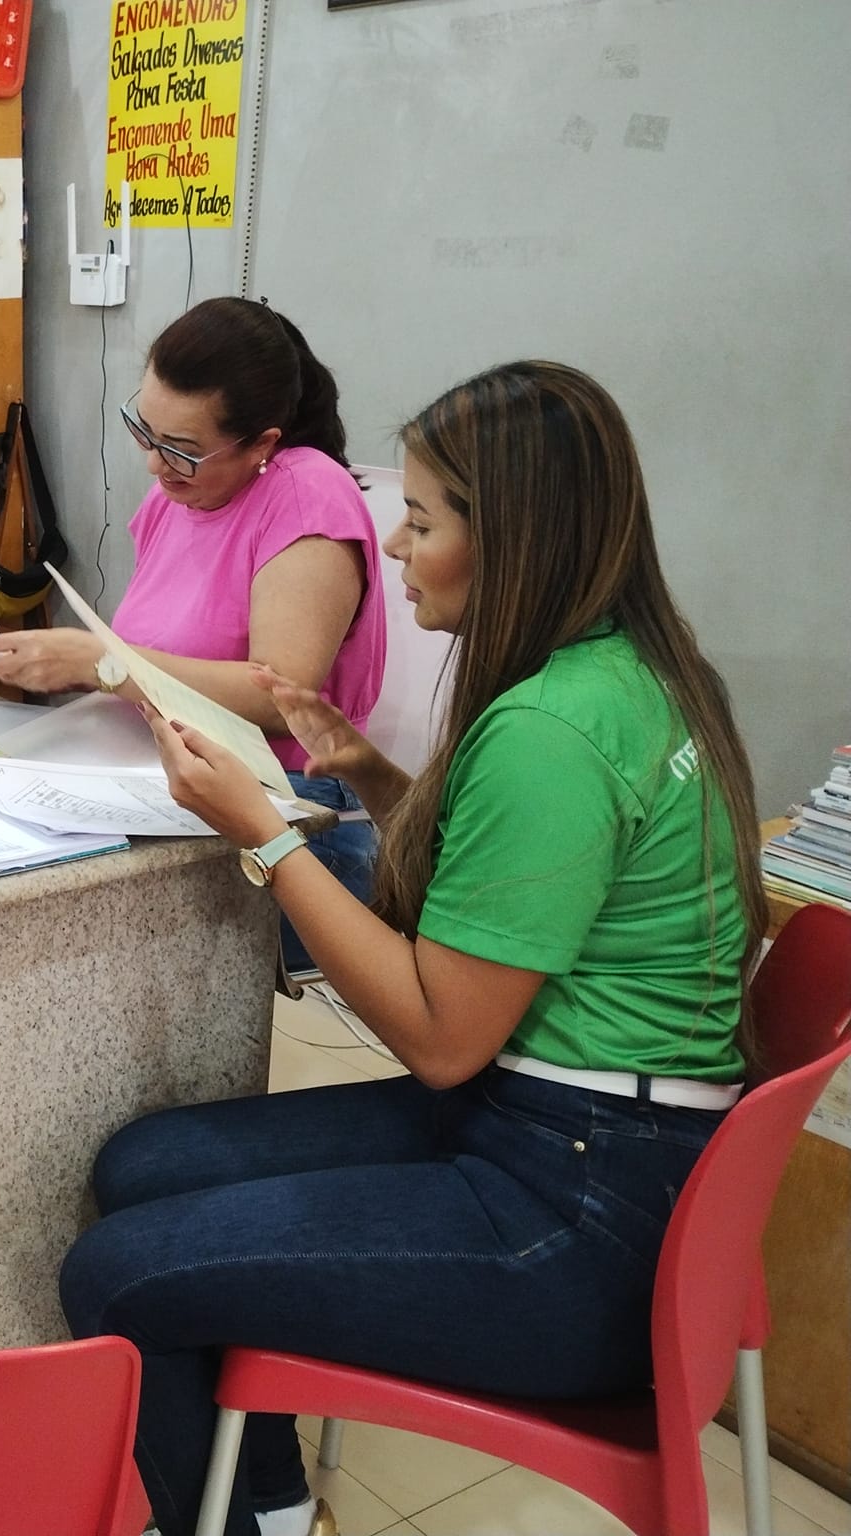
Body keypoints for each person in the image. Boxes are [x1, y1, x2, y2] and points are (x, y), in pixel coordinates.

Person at [58, 362, 765, 1536]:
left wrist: (263, 838)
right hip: (590, 1137)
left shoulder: (546, 729)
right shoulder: (628, 673)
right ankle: (271, 1506)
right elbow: (526, 896)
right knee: (143, 1166)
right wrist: (379, 783)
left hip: (575, 1208)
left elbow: (438, 1038)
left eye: (424, 519)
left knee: (116, 1274)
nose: (394, 544)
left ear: (516, 539)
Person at [0, 298, 386, 974]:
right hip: (155, 776)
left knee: (42, 937)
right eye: (145, 432)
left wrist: (102, 663)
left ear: (264, 444)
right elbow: (151, 656)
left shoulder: (309, 495)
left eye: (183, 452)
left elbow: (280, 694)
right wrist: (63, 665)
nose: (156, 467)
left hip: (285, 807)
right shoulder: (175, 496)